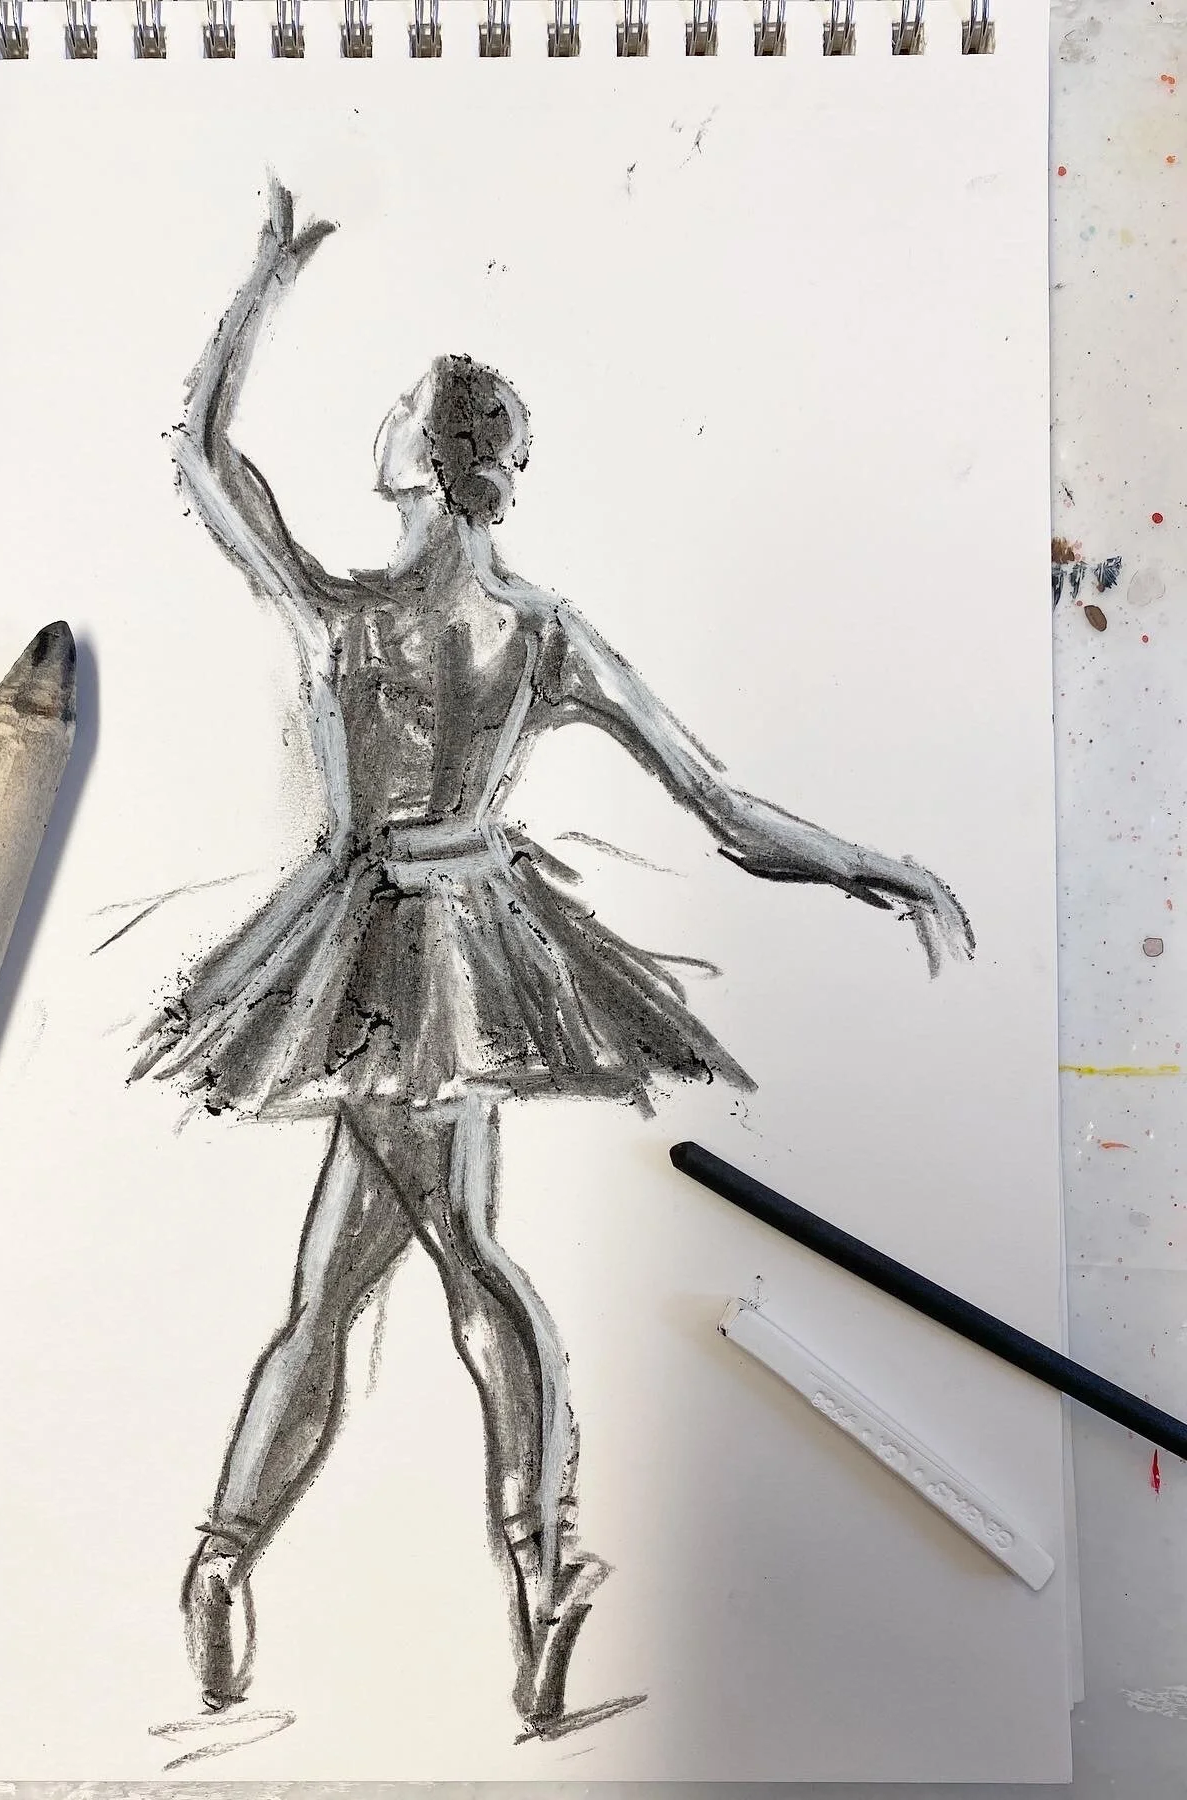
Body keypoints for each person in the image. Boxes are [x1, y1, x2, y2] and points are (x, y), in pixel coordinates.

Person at [129, 181, 973, 1735]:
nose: (388, 427)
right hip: (466, 947)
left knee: (443, 1253)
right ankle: (279, 1558)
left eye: (400, 414)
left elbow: (204, 452)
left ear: (413, 461)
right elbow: (725, 811)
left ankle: (491, 1557)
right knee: (352, 1277)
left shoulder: (342, 615)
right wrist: (870, 865)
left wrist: (259, 284)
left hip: (381, 949)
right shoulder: (539, 631)